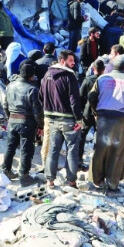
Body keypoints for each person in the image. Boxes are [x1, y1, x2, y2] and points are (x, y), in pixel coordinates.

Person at [88, 55, 124, 192]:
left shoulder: (102, 78)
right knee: (118, 151)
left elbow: (91, 96)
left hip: (103, 118)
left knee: (100, 149)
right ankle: (113, 183)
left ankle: (97, 180)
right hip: (123, 120)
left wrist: (96, 112)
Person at [41, 50, 84, 188]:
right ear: (62, 61)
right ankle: (71, 181)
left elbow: (40, 96)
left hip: (52, 120)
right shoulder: (69, 76)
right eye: (71, 60)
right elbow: (74, 100)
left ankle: (50, 180)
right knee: (72, 151)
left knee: (53, 149)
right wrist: (79, 120)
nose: (73, 63)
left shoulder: (47, 74)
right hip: (68, 120)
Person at [2, 61, 44, 186]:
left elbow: (5, 105)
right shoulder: (33, 89)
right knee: (26, 150)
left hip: (12, 120)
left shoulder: (10, 86)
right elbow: (37, 111)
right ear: (32, 76)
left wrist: (9, 117)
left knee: (10, 147)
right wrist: (40, 125)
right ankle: (24, 176)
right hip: (27, 122)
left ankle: (6, 171)